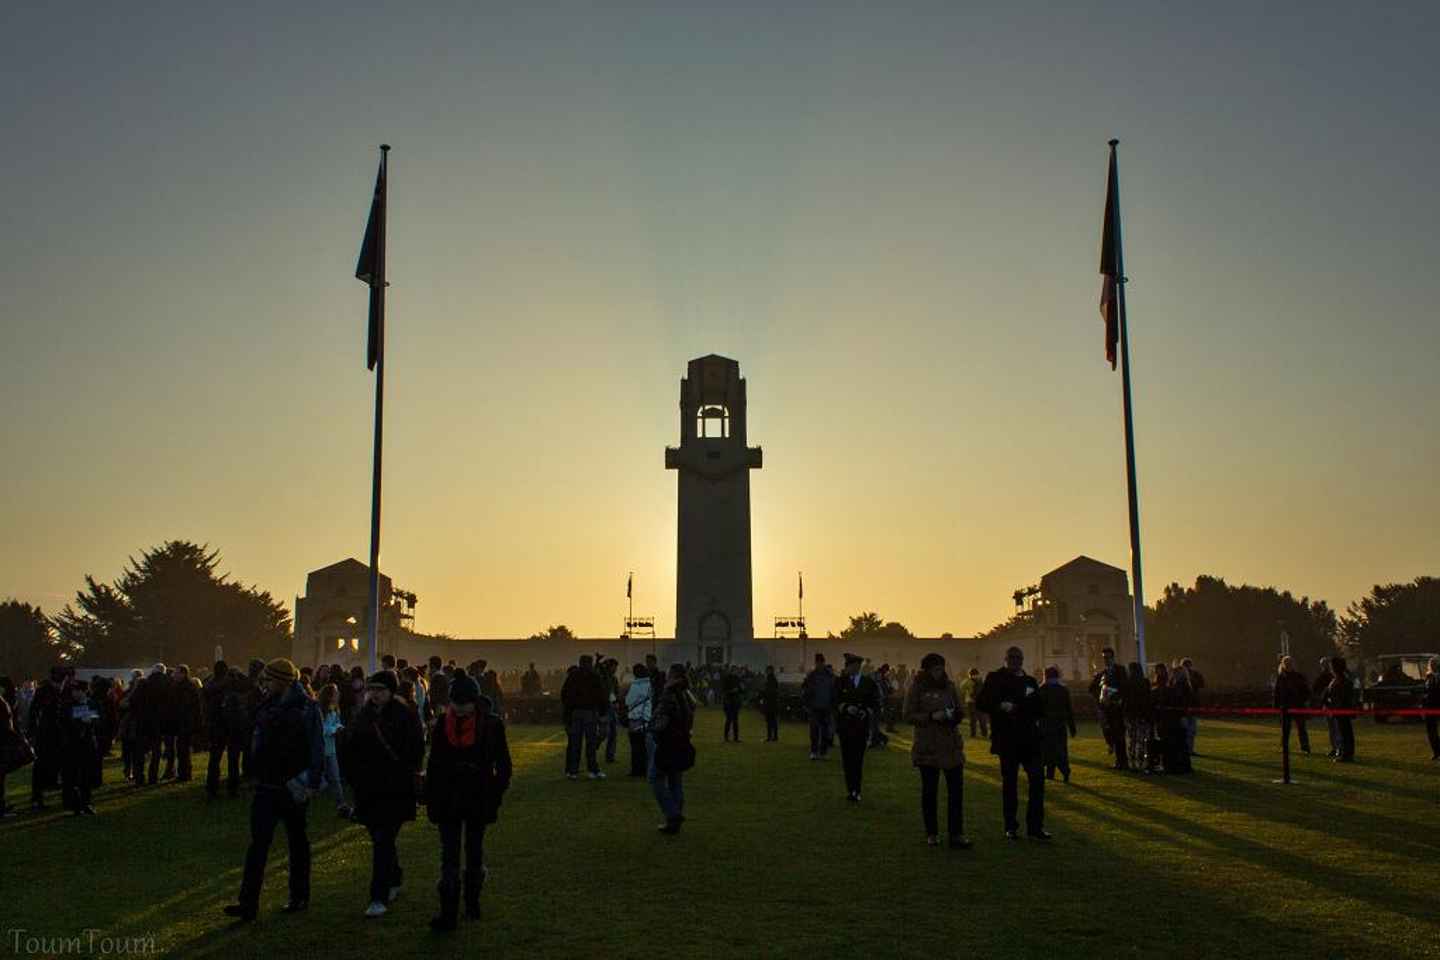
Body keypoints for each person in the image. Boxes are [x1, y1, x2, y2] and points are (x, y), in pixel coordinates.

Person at [223, 659, 325, 923]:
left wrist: (310, 782)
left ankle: (299, 895)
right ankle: (248, 903)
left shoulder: (307, 708)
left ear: (281, 681)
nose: (263, 685)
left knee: (296, 843)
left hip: (291, 785)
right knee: (258, 846)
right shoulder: (267, 705)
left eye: (267, 681)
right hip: (266, 784)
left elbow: (316, 747)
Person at [425, 672, 512, 930]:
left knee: (473, 852)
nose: (460, 708)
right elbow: (434, 764)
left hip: (477, 793)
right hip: (451, 794)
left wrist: (495, 793)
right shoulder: (444, 723)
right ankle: (450, 911)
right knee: (450, 855)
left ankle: (472, 904)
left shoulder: (491, 725)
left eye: (464, 703)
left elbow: (504, 765)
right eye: (456, 703)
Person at [340, 671, 426, 918]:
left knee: (382, 839)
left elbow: (415, 749)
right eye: (372, 689)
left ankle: (378, 896)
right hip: (368, 788)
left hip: (394, 787)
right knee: (381, 838)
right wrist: (353, 778)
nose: (375, 694)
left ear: (391, 691)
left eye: (380, 689)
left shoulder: (405, 716)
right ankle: (395, 875)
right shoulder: (362, 716)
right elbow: (350, 748)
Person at [977, 647, 1049, 841]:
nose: (1015, 661)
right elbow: (982, 702)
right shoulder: (995, 678)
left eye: (1018, 658)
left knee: (1037, 781)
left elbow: (1040, 708)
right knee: (1010, 784)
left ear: (1022, 660)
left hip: (1029, 739)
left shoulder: (1030, 681)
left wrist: (1019, 708)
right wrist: (1000, 706)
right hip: (1007, 739)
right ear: (1005, 659)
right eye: (1012, 658)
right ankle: (1011, 826)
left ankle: (1035, 826)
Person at [905, 653, 970, 849]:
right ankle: (931, 833)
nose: (939, 672)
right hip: (928, 746)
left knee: (956, 793)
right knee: (930, 792)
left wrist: (953, 715)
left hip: (951, 745)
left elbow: (960, 710)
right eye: (935, 669)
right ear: (927, 670)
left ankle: (956, 833)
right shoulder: (917, 688)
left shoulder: (950, 687)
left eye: (941, 668)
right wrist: (932, 716)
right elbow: (908, 715)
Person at [648, 664, 695, 834]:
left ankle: (672, 814)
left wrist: (651, 727)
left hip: (667, 742)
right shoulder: (686, 694)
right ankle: (674, 821)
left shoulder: (669, 694)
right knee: (676, 781)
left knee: (655, 777)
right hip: (682, 740)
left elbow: (659, 718)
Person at [835, 653, 881, 802]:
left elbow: (875, 702)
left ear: (855, 666)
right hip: (845, 726)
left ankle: (856, 789)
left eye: (849, 666)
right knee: (847, 760)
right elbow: (834, 700)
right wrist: (846, 708)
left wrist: (865, 711)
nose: (847, 669)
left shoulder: (868, 683)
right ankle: (851, 789)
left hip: (861, 726)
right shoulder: (840, 682)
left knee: (858, 760)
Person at [59, 680, 103, 816]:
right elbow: (65, 721)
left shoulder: (93, 703)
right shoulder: (68, 705)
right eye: (73, 691)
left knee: (86, 776)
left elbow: (100, 720)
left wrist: (90, 719)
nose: (74, 693)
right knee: (72, 776)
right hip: (72, 744)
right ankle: (74, 804)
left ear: (84, 691)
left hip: (88, 744)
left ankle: (86, 803)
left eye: (77, 691)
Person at [560, 655, 606, 780]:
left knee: (575, 743)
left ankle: (573, 771)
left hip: (575, 712)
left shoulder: (573, 676)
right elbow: (601, 695)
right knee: (590, 743)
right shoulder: (594, 676)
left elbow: (565, 694)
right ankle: (592, 770)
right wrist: (602, 713)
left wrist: (568, 712)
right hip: (590, 712)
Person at [26, 666, 66, 811]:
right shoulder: (47, 690)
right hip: (47, 732)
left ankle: (41, 794)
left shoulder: (51, 689)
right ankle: (37, 797)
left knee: (48, 764)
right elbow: (34, 710)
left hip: (52, 732)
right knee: (42, 765)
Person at [1089, 647, 1129, 771]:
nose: (1105, 660)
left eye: (1107, 657)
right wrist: (1101, 697)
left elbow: (1124, 687)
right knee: (1113, 734)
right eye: (1104, 658)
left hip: (1118, 708)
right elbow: (1091, 688)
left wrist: (1114, 694)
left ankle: (1122, 761)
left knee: (1119, 736)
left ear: (1113, 658)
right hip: (1108, 709)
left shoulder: (1120, 670)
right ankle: (1119, 760)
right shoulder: (1102, 673)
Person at [317, 683, 352, 817]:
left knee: (335, 778)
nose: (338, 695)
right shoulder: (320, 710)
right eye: (336, 693)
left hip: (331, 750)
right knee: (319, 779)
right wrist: (334, 730)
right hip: (320, 749)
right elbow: (320, 729)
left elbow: (337, 722)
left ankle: (341, 804)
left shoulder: (335, 709)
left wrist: (339, 727)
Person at [1038, 666, 1077, 782]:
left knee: (1047, 751)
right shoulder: (1063, 690)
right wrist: (1072, 727)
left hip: (1045, 725)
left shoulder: (1042, 689)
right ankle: (1065, 771)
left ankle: (1051, 773)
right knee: (1060, 751)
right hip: (1060, 725)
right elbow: (1069, 710)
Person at [1153, 663, 1191, 774]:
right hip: (1174, 719)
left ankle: (1172, 765)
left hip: (1169, 720)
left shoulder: (1175, 688)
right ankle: (1180, 766)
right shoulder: (1174, 688)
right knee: (1179, 744)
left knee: (1170, 744)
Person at [801, 653, 836, 760]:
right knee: (815, 731)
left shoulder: (817, 675)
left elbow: (833, 691)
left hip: (824, 707)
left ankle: (821, 751)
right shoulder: (816, 675)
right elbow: (805, 691)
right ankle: (816, 751)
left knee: (823, 731)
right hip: (816, 707)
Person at [1274, 656, 1312, 755]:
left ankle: (1305, 747)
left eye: (1290, 663)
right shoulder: (1281, 678)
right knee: (1286, 730)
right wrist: (1277, 705)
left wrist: (1303, 700)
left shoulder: (1298, 676)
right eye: (1287, 663)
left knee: (1301, 728)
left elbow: (1306, 691)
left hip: (1297, 706)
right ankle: (1285, 747)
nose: (1288, 665)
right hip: (1285, 706)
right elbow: (1277, 693)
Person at [172, 664, 202, 782]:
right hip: (185, 722)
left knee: (183, 749)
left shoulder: (185, 688)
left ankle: (185, 774)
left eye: (177, 673)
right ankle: (184, 773)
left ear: (183, 674)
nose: (174, 675)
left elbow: (186, 706)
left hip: (185, 722)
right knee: (182, 749)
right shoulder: (188, 686)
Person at [1325, 656, 1356, 763]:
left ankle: (1346, 754)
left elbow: (1342, 697)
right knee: (1344, 732)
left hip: (1341, 711)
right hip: (1338, 710)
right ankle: (1346, 753)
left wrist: (1335, 707)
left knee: (1344, 733)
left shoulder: (1342, 680)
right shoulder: (1338, 679)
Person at [624, 664, 653, 777]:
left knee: (636, 746)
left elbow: (628, 701)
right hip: (647, 717)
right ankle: (647, 769)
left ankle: (637, 770)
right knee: (646, 746)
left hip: (635, 718)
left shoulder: (635, 685)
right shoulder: (651, 684)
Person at [1124, 661, 1153, 771]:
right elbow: (1148, 699)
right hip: (1142, 715)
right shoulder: (1144, 682)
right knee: (1141, 739)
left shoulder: (1127, 683)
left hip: (1131, 715)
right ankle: (1141, 761)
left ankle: (1132, 762)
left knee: (1132, 739)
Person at [1181, 657, 1205, 755]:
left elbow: (1202, 684)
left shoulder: (1195, 674)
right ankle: (1187, 749)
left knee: (1191, 730)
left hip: (1190, 706)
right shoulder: (1179, 676)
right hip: (1183, 707)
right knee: (1187, 730)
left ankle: (1189, 749)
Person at [959, 668, 987, 740]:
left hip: (972, 702)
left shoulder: (967, 681)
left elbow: (962, 689)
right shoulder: (981, 680)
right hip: (977, 702)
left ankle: (974, 734)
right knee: (980, 719)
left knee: (974, 720)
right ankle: (983, 733)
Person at [721, 665, 743, 743]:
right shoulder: (727, 678)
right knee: (729, 719)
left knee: (735, 720)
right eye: (734, 670)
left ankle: (735, 737)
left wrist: (740, 689)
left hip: (735, 701)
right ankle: (726, 737)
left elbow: (741, 690)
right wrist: (732, 691)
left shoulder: (737, 679)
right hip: (729, 701)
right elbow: (724, 690)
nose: (735, 671)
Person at [1424, 658, 1440, 761]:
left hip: (1436, 705)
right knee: (1431, 730)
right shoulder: (1429, 677)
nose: (1432, 665)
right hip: (1429, 706)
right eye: (1431, 664)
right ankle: (1436, 752)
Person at [760, 665, 780, 742]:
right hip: (773, 702)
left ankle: (770, 737)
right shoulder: (773, 680)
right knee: (773, 721)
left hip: (770, 703)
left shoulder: (770, 680)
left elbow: (769, 691)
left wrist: (763, 693)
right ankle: (774, 736)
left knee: (769, 720)